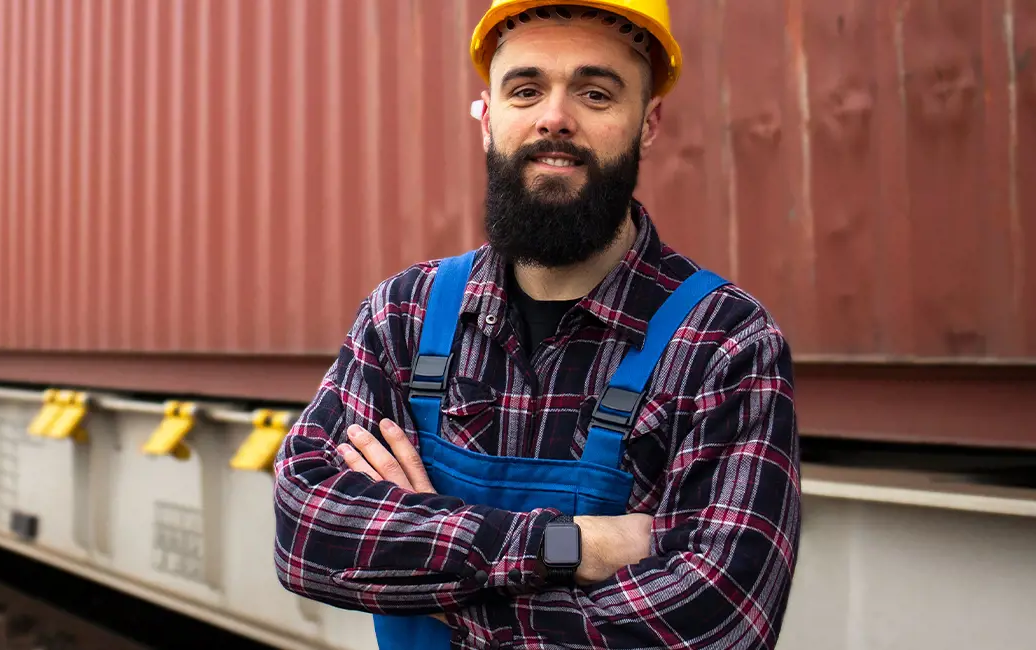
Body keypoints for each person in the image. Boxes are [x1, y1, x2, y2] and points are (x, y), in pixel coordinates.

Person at [270, 1, 802, 648]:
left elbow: (720, 623)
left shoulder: (723, 345)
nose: (555, 117)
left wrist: (438, 580)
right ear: (488, 118)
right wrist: (568, 547)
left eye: (596, 92)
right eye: (526, 89)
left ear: (649, 123)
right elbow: (306, 533)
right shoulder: (405, 316)